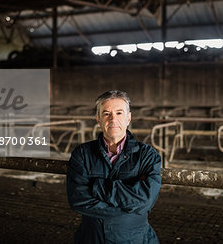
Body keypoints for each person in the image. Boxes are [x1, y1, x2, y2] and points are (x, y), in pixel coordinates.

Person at [67, 90, 162, 244]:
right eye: (106, 113)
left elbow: (146, 200)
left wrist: (97, 187)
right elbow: (77, 199)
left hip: (135, 238)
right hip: (92, 238)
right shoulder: (82, 154)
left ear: (128, 118)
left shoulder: (146, 155)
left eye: (119, 113)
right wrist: (127, 209)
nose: (113, 119)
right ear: (98, 118)